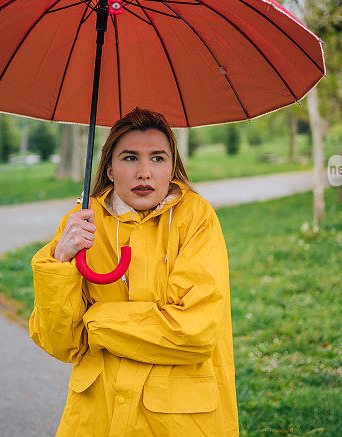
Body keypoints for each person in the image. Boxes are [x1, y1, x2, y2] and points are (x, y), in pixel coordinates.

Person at [29, 107, 239, 436]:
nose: (144, 172)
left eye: (157, 158)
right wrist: (60, 258)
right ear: (109, 169)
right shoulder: (83, 223)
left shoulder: (196, 218)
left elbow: (194, 333)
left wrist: (95, 321)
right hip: (97, 416)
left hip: (178, 421)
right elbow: (60, 343)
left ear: (172, 167)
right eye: (129, 158)